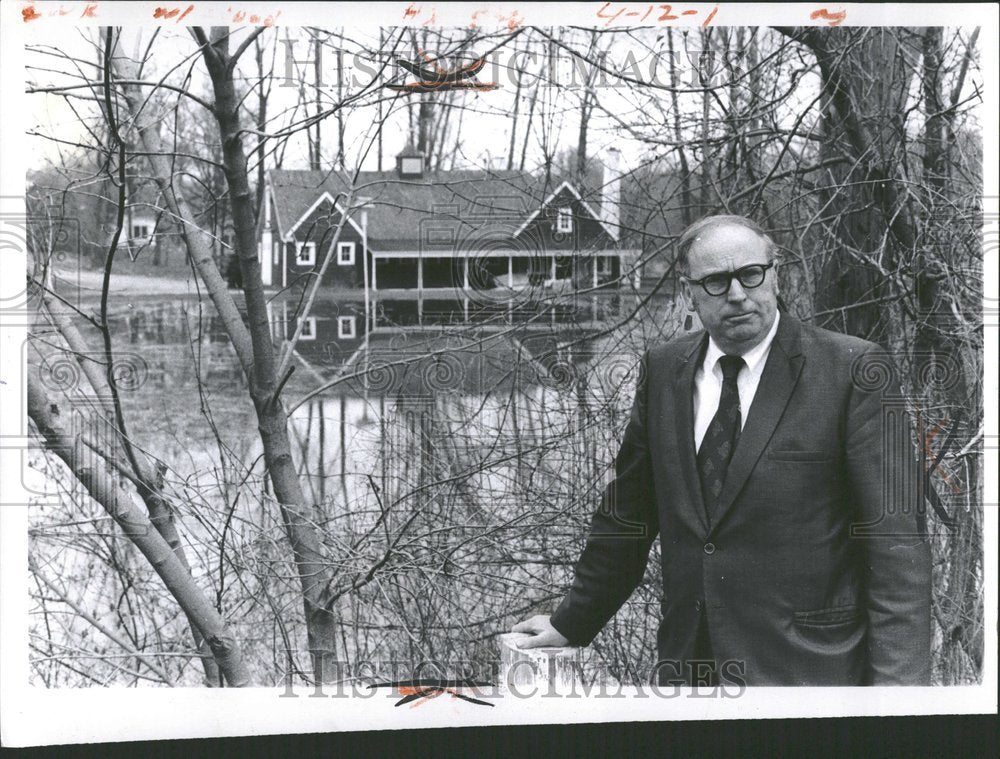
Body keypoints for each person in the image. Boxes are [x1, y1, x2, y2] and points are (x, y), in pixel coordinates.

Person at [512, 215, 931, 686]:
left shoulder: (852, 370)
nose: (736, 294)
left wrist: (900, 698)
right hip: (691, 668)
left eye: (751, 274)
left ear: (776, 274)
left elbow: (895, 545)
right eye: (715, 281)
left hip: (810, 673)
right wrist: (572, 622)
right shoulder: (663, 371)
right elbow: (627, 517)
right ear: (689, 290)